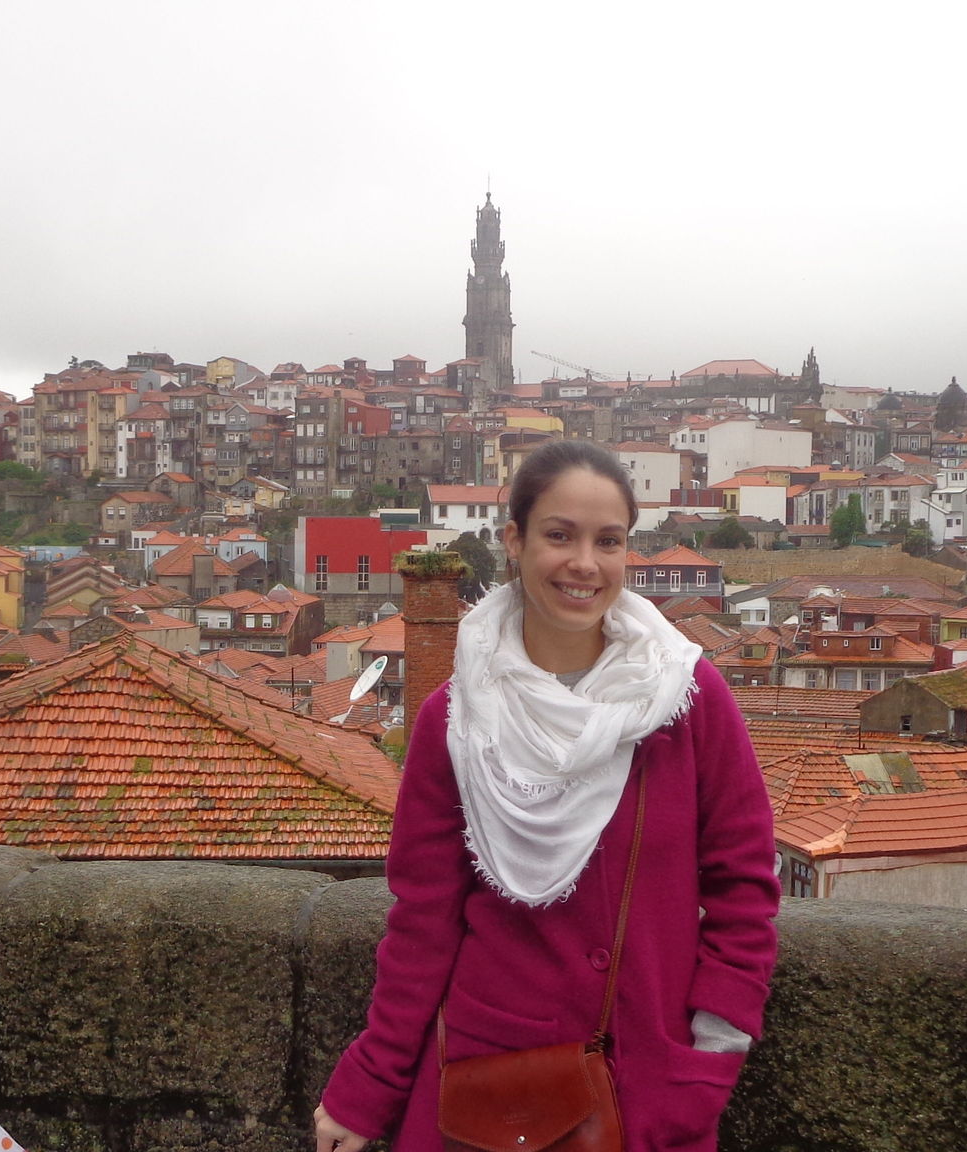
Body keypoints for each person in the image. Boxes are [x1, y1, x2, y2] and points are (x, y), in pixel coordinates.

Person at [314, 439, 779, 1152]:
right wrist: (367, 1086)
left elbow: (745, 889)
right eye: (559, 535)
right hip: (487, 1090)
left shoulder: (687, 701)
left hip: (650, 1087)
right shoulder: (455, 717)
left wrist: (710, 1059)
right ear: (515, 541)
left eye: (608, 541)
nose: (584, 563)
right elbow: (425, 919)